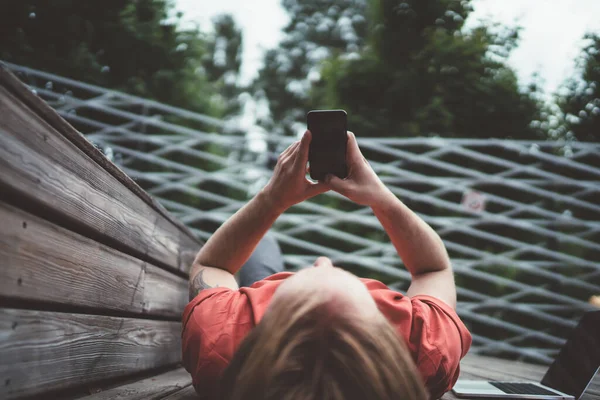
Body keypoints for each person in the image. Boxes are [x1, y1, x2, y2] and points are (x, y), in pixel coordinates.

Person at [182, 130, 472, 400]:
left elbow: (213, 264)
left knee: (264, 249)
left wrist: (272, 199)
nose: (322, 261)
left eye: (306, 274)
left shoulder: (220, 341)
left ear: (267, 323)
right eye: (356, 282)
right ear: (387, 330)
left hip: (246, 313)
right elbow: (433, 268)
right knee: (265, 250)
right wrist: (380, 197)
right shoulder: (425, 347)